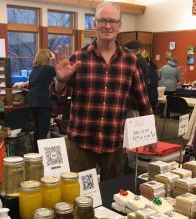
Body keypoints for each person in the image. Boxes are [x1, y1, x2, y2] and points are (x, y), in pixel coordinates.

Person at [51, 2, 153, 181]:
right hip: (81, 145)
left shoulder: (130, 60)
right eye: (103, 20)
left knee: (112, 198)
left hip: (114, 144)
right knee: (80, 199)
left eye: (113, 21)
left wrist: (150, 135)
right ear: (94, 24)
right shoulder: (78, 58)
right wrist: (60, 80)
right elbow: (58, 97)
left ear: (120, 26)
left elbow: (143, 102)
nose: (107, 25)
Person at [15, 49, 56, 151]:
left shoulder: (34, 71)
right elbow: (60, 72)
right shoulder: (48, 69)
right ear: (48, 58)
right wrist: (55, 60)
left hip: (33, 102)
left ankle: (36, 152)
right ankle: (41, 154)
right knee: (43, 129)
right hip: (43, 102)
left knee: (37, 127)